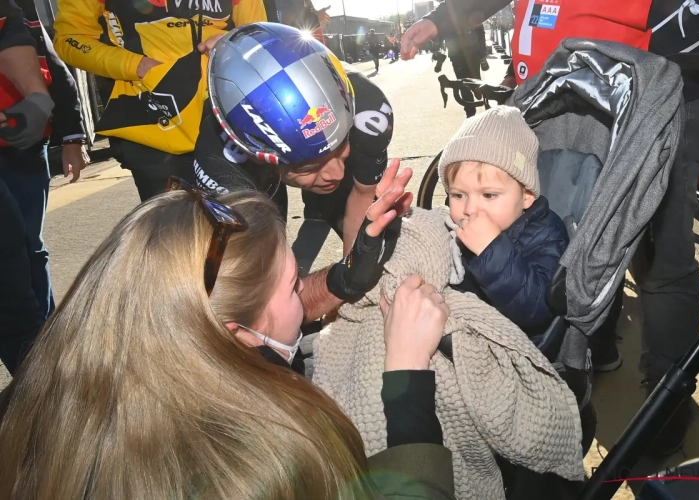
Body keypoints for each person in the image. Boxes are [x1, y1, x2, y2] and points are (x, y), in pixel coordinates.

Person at [402, 0, 699, 457]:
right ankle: (594, 343)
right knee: (581, 228)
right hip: (556, 80)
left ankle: (666, 399)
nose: (466, 208)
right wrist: (443, 20)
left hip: (654, 85)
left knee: (656, 252)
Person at [0, 181, 455, 499]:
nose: (304, 297)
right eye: (294, 285)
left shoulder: (33, 401)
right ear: (236, 336)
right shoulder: (261, 465)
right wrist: (407, 376)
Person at [194, 23, 396, 270]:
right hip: (243, 171)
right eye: (309, 166)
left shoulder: (369, 111)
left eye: (341, 146)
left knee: (374, 249)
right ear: (256, 156)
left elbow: (363, 196)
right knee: (261, 255)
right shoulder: (222, 165)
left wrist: (351, 281)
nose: (337, 173)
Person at [52, 0, 268, 202]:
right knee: (176, 236)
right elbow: (70, 39)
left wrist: (233, 43)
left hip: (231, 116)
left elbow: (260, 32)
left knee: (256, 228)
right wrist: (136, 66)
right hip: (152, 127)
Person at [440, 106, 568, 337]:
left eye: (489, 195)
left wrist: (491, 250)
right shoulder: (455, 225)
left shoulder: (547, 234)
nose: (469, 209)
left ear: (526, 195)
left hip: (510, 341)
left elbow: (538, 307)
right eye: (458, 195)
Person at [0, 0, 56, 376]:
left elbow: (7, 29)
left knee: (15, 262)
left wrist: (36, 96)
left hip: (15, 152)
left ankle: (45, 397)